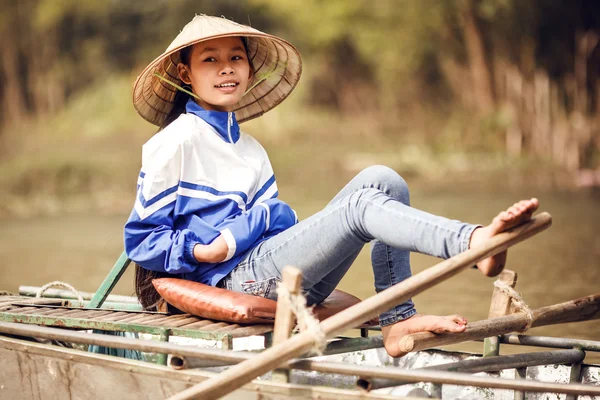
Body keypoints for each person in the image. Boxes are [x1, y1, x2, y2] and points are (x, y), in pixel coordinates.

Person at [124, 15, 539, 358]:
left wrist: (278, 223)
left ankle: (398, 320)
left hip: (272, 268)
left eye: (236, 57)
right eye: (210, 60)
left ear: (249, 69)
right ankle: (474, 242)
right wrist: (205, 249)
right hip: (232, 277)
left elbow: (277, 233)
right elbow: (141, 241)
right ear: (185, 73)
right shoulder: (172, 143)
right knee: (359, 209)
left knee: (384, 179)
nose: (227, 67)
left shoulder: (251, 150)